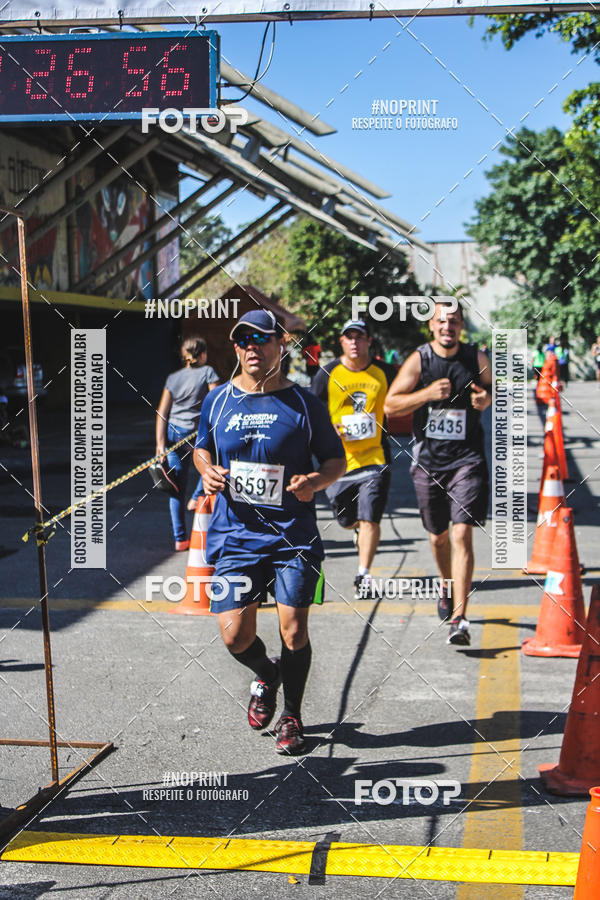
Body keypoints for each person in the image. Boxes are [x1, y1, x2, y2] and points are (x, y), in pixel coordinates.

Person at [193, 310, 346, 755]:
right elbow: (202, 447)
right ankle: (267, 672)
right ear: (236, 348)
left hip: (292, 535)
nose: (252, 347)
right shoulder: (217, 400)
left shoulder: (303, 404)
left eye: (261, 338)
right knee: (234, 634)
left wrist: (314, 483)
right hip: (235, 536)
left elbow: (335, 460)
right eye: (243, 340)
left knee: (294, 631)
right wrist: (206, 472)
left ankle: (292, 716)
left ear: (282, 344)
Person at [384, 301, 492, 646]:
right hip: (429, 462)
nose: (448, 326)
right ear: (431, 326)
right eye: (442, 321)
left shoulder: (476, 358)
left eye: (455, 321)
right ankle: (446, 586)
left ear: (462, 326)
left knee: (461, 534)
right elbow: (390, 405)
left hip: (468, 460)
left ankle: (459, 617)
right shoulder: (420, 360)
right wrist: (426, 394)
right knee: (438, 537)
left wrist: (486, 399)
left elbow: (495, 390)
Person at [312, 318, 395, 599]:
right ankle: (356, 528)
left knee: (370, 517)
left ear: (369, 341)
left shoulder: (384, 372)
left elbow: (402, 396)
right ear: (341, 341)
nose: (354, 343)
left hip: (375, 459)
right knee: (347, 520)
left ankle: (364, 574)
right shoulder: (327, 374)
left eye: (359, 337)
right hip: (338, 462)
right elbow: (313, 411)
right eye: (349, 337)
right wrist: (327, 429)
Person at [156, 337, 219, 551]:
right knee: (213, 463)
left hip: (174, 434)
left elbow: (162, 412)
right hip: (194, 434)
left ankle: (180, 539)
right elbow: (217, 401)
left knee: (176, 488)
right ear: (202, 354)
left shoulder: (174, 378)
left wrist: (160, 444)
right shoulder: (208, 372)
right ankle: (196, 497)